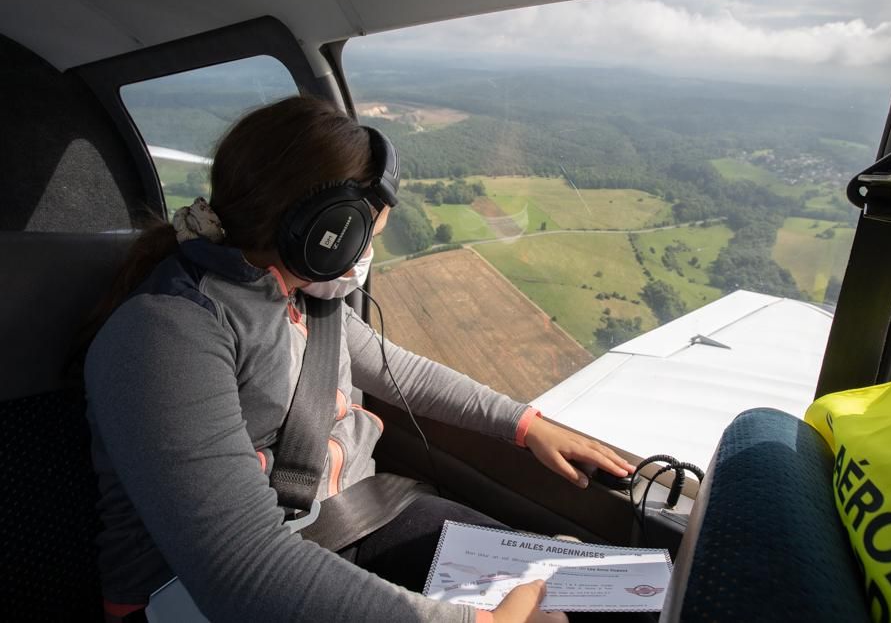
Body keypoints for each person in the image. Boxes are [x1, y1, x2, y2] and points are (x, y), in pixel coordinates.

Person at [85, 96, 635, 623]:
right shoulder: (165, 333)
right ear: (327, 234)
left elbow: (404, 372)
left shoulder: (302, 298)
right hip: (204, 592)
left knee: (604, 599)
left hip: (350, 521)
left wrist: (524, 424)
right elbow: (242, 573)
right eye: (367, 236)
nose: (366, 257)